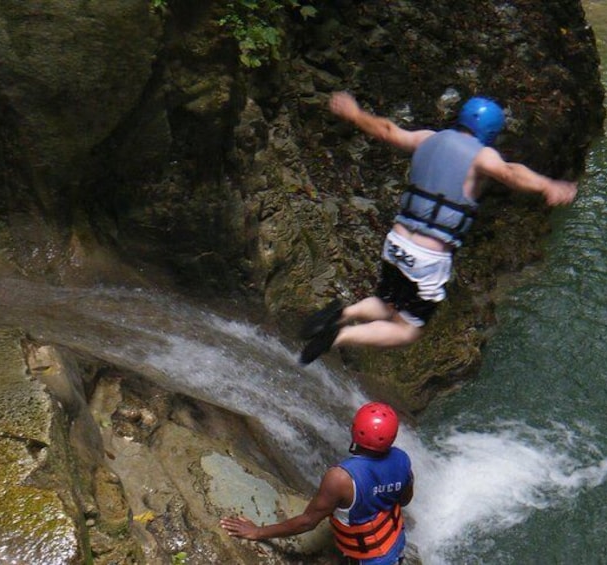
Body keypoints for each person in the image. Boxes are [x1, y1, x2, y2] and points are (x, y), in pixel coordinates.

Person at [298, 91, 578, 364]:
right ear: (491, 131)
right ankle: (338, 336)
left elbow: (387, 130)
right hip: (427, 258)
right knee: (408, 329)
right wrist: (547, 185)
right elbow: (510, 172)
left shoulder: (427, 138)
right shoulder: (483, 155)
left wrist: (355, 114)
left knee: (387, 304)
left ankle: (340, 313)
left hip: (396, 243)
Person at [220, 402, 414, 565]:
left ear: (355, 431)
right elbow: (404, 500)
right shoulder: (403, 460)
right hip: (395, 543)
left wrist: (257, 532)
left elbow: (307, 522)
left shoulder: (340, 478)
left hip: (367, 559)